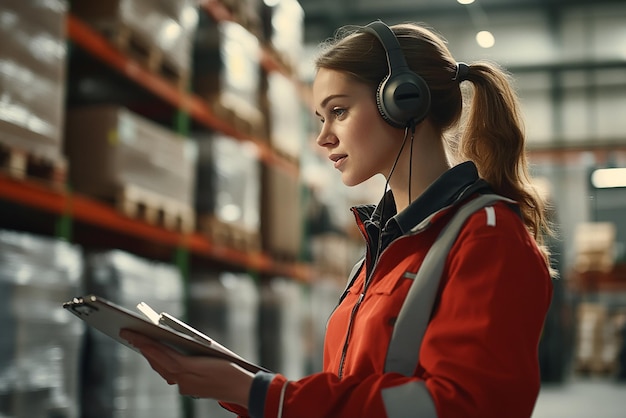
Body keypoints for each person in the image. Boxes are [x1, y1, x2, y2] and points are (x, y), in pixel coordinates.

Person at [121, 20, 554, 418]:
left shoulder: (487, 238)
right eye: (320, 118)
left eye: (339, 111)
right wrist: (244, 386)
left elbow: (463, 405)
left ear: (403, 102)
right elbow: (356, 392)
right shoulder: (385, 247)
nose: (323, 137)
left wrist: (269, 396)